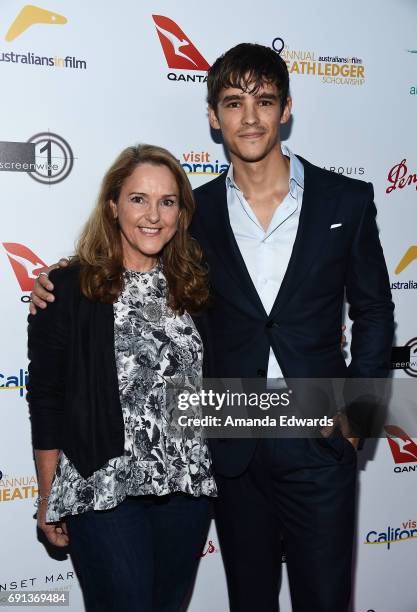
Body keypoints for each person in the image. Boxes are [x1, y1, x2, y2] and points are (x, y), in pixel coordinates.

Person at [31, 44, 394, 612]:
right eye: (233, 103)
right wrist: (57, 282)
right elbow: (126, 263)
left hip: (320, 441)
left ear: (287, 109)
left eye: (264, 101)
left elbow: (374, 312)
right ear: (212, 116)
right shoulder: (192, 216)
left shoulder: (346, 199)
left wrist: (361, 420)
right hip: (231, 445)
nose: (249, 117)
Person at [27, 144, 217, 612]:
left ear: (181, 212)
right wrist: (48, 495)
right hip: (103, 486)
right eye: (138, 199)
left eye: (167, 201)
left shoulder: (197, 289)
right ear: (113, 207)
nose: (153, 215)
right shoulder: (70, 289)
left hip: (185, 489)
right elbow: (47, 398)